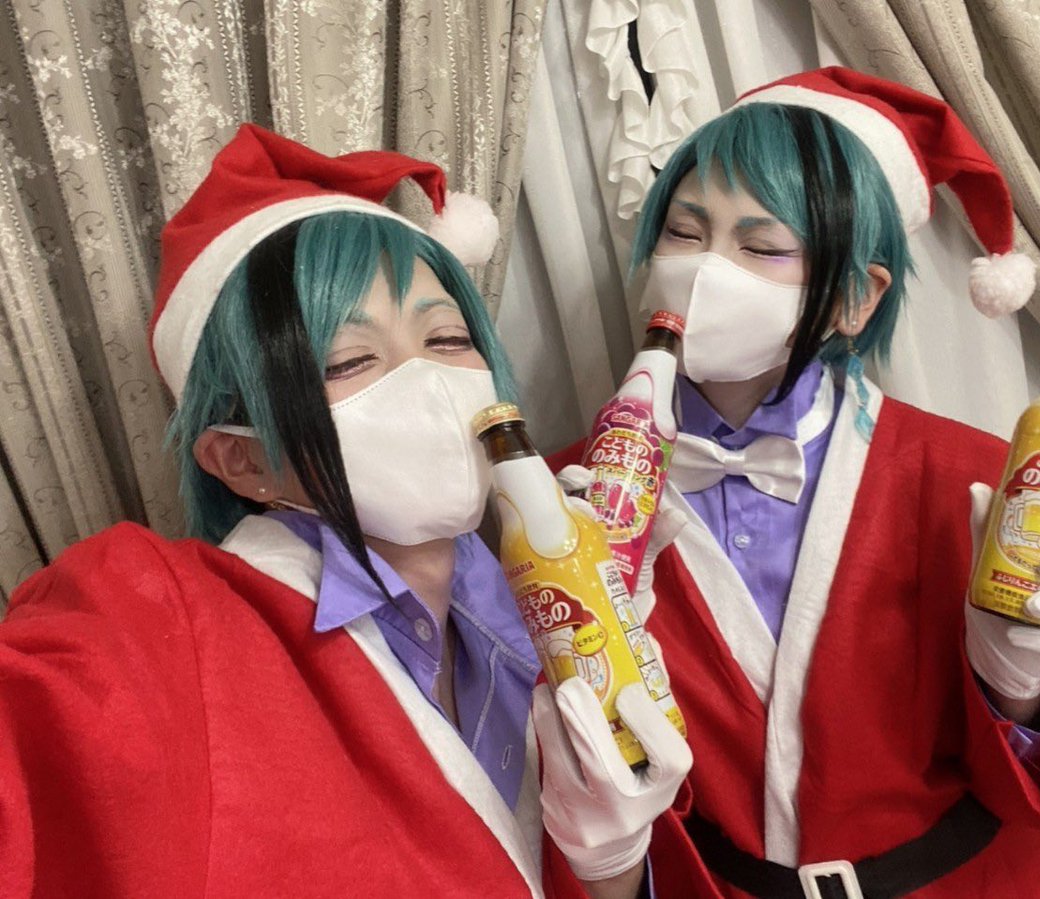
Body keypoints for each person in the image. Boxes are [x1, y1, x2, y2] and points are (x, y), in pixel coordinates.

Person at [0, 125, 707, 899]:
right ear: (243, 458)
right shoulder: (155, 621)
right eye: (349, 360)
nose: (429, 382)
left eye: (449, 338)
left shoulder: (538, 603)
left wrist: (614, 867)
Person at [553, 68, 1040, 898]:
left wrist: (1021, 692)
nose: (706, 270)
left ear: (854, 299)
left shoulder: (980, 478)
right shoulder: (566, 499)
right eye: (683, 233)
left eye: (762, 246)